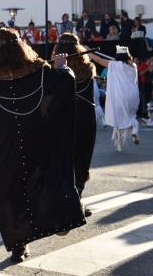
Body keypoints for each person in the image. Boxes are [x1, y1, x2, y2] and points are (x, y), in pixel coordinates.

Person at [0, 28, 85, 263]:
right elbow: (64, 82)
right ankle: (57, 220)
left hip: (4, 148)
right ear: (21, 46)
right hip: (37, 142)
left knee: (11, 195)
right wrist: (63, 67)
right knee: (41, 182)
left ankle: (19, 245)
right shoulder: (41, 73)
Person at [53, 33, 96, 217]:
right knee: (80, 162)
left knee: (64, 162)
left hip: (64, 121)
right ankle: (74, 200)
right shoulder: (87, 67)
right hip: (84, 121)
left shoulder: (54, 70)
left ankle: (69, 203)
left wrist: (57, 68)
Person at [90, 45, 140, 151]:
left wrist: (87, 52)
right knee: (131, 116)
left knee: (118, 119)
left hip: (120, 96)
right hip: (133, 95)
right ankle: (134, 130)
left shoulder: (114, 64)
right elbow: (121, 63)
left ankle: (119, 145)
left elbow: (99, 60)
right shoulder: (133, 65)